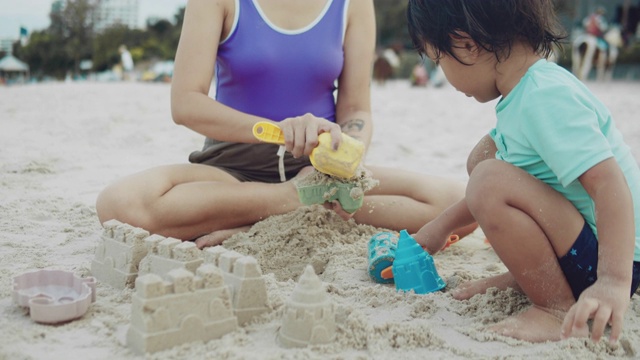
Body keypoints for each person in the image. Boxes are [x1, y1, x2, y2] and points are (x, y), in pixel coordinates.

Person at [96, 0, 476, 250]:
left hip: (320, 178)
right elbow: (186, 104)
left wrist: (345, 151)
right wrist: (282, 130)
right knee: (121, 204)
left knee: (463, 204)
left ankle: (263, 219)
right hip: (230, 172)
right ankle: (286, 205)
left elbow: (357, 109)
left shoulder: (353, 5)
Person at [407, 0, 640, 344]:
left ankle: (555, 307)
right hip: (586, 245)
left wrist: (612, 282)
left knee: (488, 178)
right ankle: (531, 275)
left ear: (466, 45)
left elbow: (609, 185)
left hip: (612, 257)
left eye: (438, 60)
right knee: (483, 159)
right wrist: (440, 228)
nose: (444, 74)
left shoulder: (544, 97)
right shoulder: (521, 96)